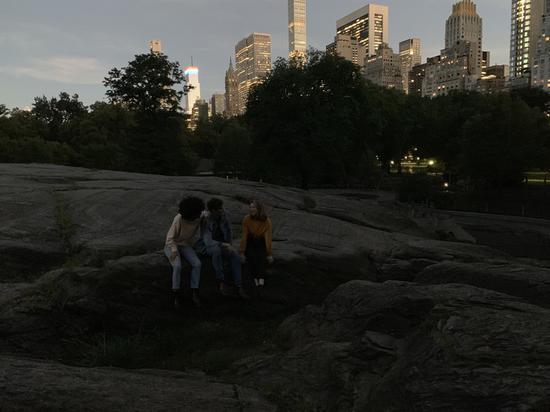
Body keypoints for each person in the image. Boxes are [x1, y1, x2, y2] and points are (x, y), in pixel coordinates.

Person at [197, 198, 250, 299]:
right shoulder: (206, 219)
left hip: (223, 245)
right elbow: (208, 241)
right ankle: (221, 283)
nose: (222, 210)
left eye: (222, 208)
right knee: (217, 251)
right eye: (220, 209)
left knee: (236, 257)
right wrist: (225, 245)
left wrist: (229, 245)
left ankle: (239, 286)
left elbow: (229, 232)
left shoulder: (224, 216)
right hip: (208, 246)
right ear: (213, 210)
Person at [164, 196, 205, 309]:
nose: (198, 215)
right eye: (196, 214)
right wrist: (174, 251)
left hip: (185, 245)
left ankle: (194, 291)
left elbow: (207, 214)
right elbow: (169, 238)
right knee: (177, 266)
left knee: (197, 264)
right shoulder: (179, 218)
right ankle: (176, 294)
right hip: (171, 245)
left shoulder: (200, 215)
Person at [240, 200, 273, 297]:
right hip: (250, 241)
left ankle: (261, 284)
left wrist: (269, 254)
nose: (251, 209)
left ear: (259, 209)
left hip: (261, 242)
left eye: (253, 207)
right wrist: (241, 252)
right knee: (251, 257)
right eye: (250, 207)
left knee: (262, 258)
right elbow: (244, 237)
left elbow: (268, 238)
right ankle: (256, 283)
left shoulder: (267, 221)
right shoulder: (246, 219)